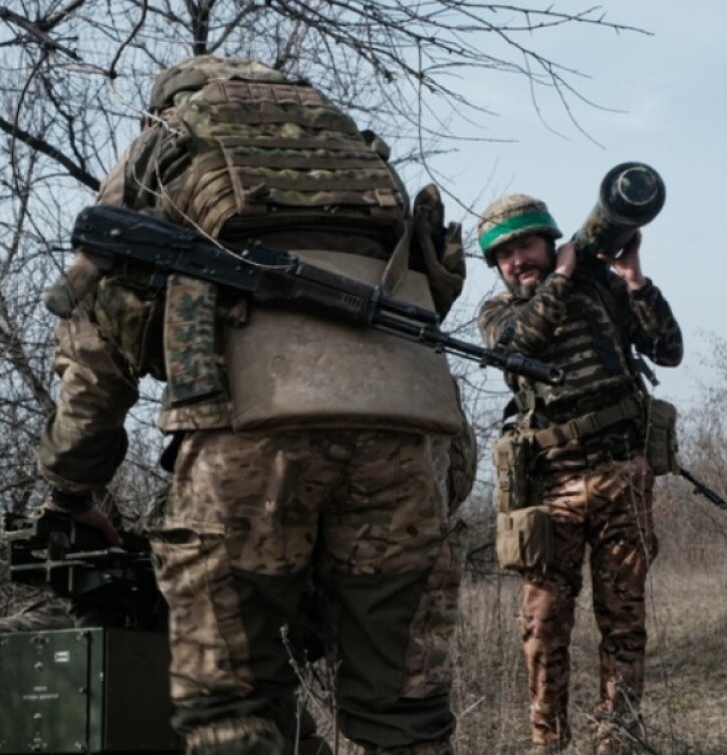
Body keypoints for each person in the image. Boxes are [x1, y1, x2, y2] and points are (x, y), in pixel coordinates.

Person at [32, 55, 472, 755]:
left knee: (230, 704)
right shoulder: (357, 150)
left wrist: (72, 483)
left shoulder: (165, 143)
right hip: (400, 432)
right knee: (405, 711)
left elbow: (94, 341)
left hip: (246, 433)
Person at [475, 194, 683, 754]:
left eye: (527, 244)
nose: (519, 259)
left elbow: (668, 350)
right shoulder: (498, 314)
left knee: (624, 622)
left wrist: (634, 279)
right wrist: (563, 275)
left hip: (621, 477)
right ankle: (549, 745)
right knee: (543, 627)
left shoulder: (600, 287)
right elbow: (522, 347)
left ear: (549, 239)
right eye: (506, 253)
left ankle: (617, 739)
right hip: (549, 491)